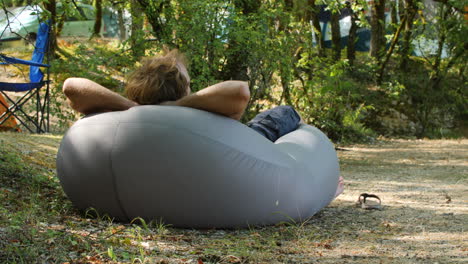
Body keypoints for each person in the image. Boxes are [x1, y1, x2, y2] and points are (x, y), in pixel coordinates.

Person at [63, 49, 344, 197]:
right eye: (188, 80)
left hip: (221, 145)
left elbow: (72, 88)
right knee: (284, 113)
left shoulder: (128, 119)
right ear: (182, 88)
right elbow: (240, 92)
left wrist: (135, 107)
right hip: (246, 144)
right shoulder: (189, 114)